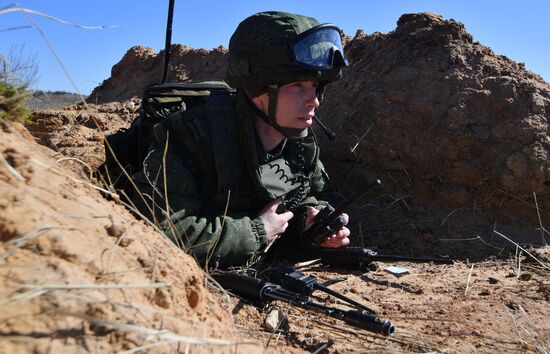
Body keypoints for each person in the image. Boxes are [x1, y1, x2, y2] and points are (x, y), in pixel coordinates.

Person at [132, 11, 351, 268]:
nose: (313, 100)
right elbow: (163, 232)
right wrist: (256, 232)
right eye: (297, 86)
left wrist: (316, 223)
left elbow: (317, 195)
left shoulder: (299, 143)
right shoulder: (189, 139)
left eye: (315, 87)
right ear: (260, 88)